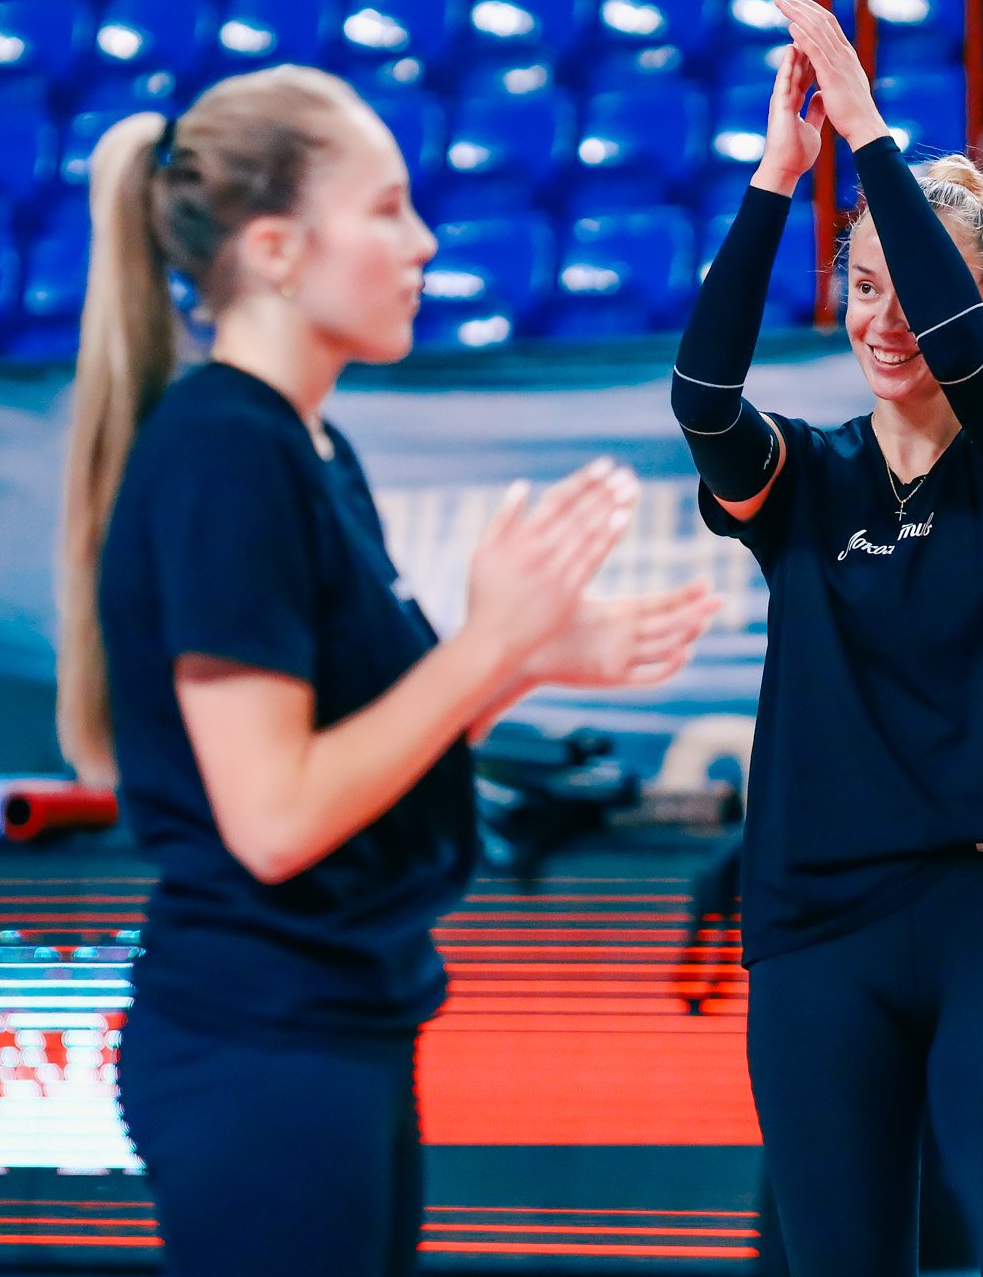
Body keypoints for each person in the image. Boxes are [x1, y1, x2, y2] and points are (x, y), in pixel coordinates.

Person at [54, 65, 718, 1277]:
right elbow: (276, 819)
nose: (423, 242)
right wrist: (486, 646)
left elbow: (368, 752)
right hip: (261, 1040)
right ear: (274, 249)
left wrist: (521, 662)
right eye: (386, 208)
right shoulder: (224, 454)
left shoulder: (306, 445)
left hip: (342, 1022)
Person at [672, 0, 983, 1277]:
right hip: (817, 926)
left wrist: (865, 130)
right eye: (863, 286)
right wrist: (777, 178)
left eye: (913, 288)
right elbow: (703, 396)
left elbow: (966, 358)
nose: (886, 318)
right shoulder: (805, 477)